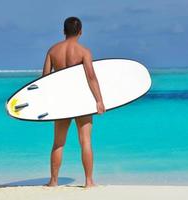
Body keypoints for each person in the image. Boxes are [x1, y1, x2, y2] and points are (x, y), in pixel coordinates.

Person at [42, 17, 106, 187]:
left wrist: (46, 103)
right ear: (81, 32)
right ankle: (89, 181)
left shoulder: (52, 51)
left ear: (63, 31)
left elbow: (44, 80)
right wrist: (99, 100)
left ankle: (53, 181)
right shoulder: (84, 51)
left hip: (61, 102)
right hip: (81, 101)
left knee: (58, 142)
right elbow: (91, 77)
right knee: (85, 141)